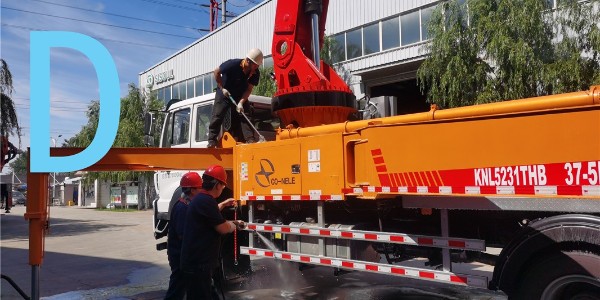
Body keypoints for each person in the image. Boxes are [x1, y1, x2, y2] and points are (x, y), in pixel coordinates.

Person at [179, 165, 245, 299]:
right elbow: (223, 228)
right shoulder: (205, 201)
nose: (223, 189)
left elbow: (211, 213)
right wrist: (235, 224)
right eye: (223, 186)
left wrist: (224, 204)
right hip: (199, 264)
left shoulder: (201, 199)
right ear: (217, 185)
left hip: (195, 262)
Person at [207, 48, 263, 148]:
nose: (256, 68)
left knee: (245, 113)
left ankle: (250, 139)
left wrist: (241, 102)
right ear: (248, 61)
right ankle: (212, 140)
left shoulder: (255, 73)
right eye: (255, 65)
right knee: (218, 114)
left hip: (239, 94)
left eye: (258, 66)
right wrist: (222, 87)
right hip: (224, 92)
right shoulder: (232, 64)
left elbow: (249, 90)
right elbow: (216, 72)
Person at [164, 172, 203, 300]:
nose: (201, 190)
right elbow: (183, 235)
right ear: (192, 190)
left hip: (183, 256)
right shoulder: (182, 208)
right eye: (199, 188)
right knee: (176, 290)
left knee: (185, 288)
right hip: (180, 257)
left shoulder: (186, 204)